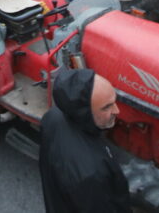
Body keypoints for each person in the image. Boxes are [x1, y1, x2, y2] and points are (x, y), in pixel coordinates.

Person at [39, 69, 129, 213]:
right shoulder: (91, 176)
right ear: (84, 113)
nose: (117, 111)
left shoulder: (53, 116)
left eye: (114, 101)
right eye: (106, 107)